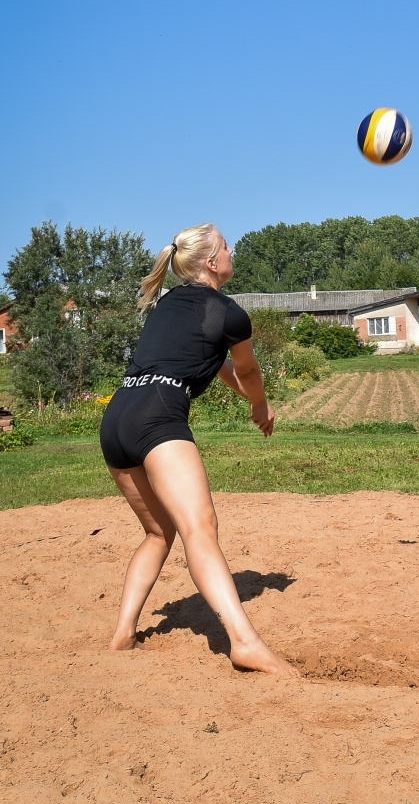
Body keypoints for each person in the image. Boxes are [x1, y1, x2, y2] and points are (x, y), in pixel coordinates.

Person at [100, 223, 299, 676]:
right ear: (212, 262)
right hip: (157, 416)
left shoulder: (170, 303)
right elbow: (247, 371)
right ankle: (245, 643)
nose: (233, 250)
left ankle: (123, 634)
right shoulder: (229, 312)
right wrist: (261, 404)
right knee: (200, 528)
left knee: (158, 532)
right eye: (227, 246)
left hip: (118, 414)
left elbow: (220, 362)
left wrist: (248, 397)